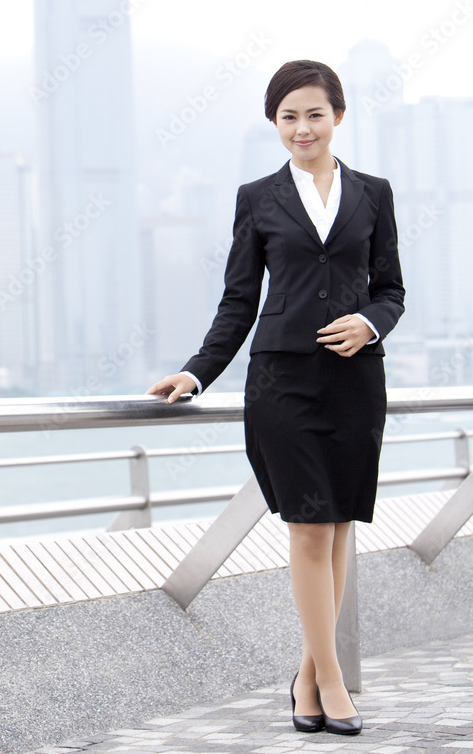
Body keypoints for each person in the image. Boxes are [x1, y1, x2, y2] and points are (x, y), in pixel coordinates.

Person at [146, 59, 405, 737]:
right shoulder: (256, 197)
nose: (301, 127)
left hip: (354, 382)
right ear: (273, 124)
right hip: (281, 384)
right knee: (309, 527)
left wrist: (371, 321)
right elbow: (238, 300)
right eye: (287, 116)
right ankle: (334, 686)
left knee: (339, 525)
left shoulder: (372, 192)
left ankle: (306, 678)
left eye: (314, 114)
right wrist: (197, 372)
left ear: (338, 117)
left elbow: (391, 288)